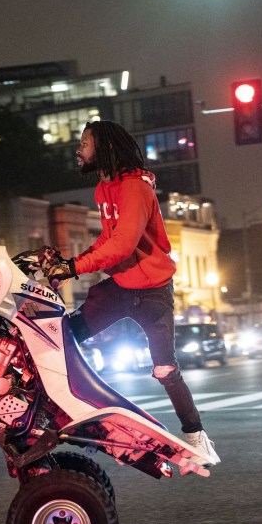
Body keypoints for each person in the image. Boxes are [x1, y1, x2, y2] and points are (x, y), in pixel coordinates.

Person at [41, 119, 220, 467]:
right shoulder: (102, 190)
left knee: (166, 369)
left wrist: (76, 267)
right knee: (66, 336)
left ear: (104, 148)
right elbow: (109, 239)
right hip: (121, 288)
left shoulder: (136, 188)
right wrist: (70, 264)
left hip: (153, 293)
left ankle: (197, 438)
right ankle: (63, 406)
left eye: (84, 143)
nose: (79, 150)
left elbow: (123, 245)